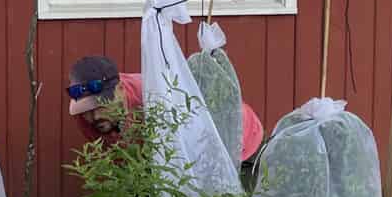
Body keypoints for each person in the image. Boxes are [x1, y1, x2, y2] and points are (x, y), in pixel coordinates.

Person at [66, 53, 264, 161]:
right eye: (86, 110)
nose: (93, 116)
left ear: (119, 89)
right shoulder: (87, 118)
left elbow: (189, 156)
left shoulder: (155, 100)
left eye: (101, 105)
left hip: (237, 139)